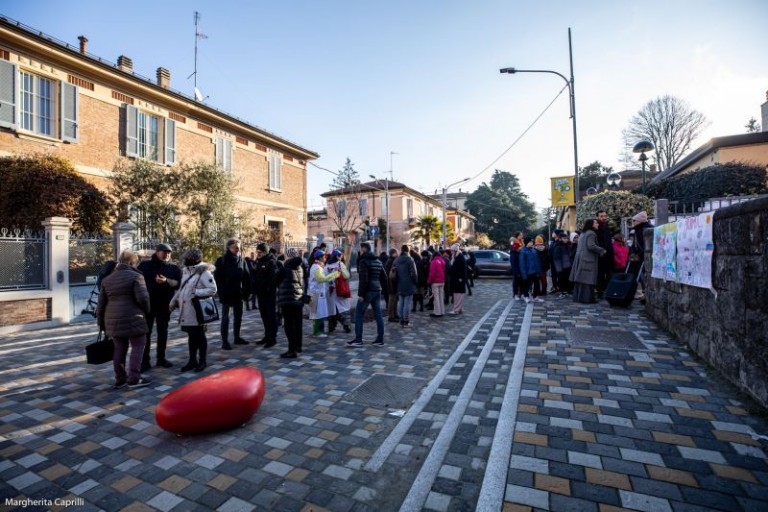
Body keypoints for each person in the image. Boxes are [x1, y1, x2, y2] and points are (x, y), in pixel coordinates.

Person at [96, 250, 151, 389]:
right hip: (134, 317)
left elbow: (101, 304)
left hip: (112, 319)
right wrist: (147, 311)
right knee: (138, 346)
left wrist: (101, 323)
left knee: (119, 348)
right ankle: (134, 378)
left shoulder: (107, 279)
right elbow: (143, 299)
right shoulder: (136, 276)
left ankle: (120, 379)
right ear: (132, 262)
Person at [169, 248, 217, 372]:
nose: (184, 259)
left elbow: (212, 289)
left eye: (186, 257)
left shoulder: (204, 272)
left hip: (198, 310)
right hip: (186, 309)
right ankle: (192, 360)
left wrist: (196, 292)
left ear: (193, 259)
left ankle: (202, 361)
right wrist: (173, 301)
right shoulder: (186, 271)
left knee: (200, 335)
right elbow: (181, 288)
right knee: (191, 335)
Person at [137, 243, 181, 371]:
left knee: (163, 332)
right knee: (146, 333)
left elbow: (179, 284)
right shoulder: (145, 265)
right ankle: (145, 361)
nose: (167, 254)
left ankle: (161, 359)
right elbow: (136, 281)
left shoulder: (174, 268)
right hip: (147, 305)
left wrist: (167, 281)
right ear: (157, 252)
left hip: (165, 305)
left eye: (169, 252)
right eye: (164, 252)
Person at [214, 239, 252, 350]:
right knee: (226, 318)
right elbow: (218, 279)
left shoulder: (242, 260)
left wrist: (246, 292)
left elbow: (247, 277)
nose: (238, 249)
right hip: (227, 295)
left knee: (238, 317)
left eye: (239, 247)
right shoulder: (222, 261)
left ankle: (237, 337)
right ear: (229, 248)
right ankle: (225, 341)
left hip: (238, 294)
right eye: (236, 247)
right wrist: (222, 294)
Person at [347, 242, 385, 347]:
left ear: (364, 249)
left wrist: (361, 294)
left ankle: (358, 339)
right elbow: (384, 277)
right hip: (377, 290)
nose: (360, 251)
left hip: (367, 291)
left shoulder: (364, 261)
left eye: (361, 249)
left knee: (358, 314)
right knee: (378, 315)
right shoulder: (378, 261)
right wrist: (383, 291)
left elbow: (363, 279)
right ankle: (380, 339)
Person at [276, 248, 306, 358]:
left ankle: (291, 350)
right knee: (298, 325)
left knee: (289, 326)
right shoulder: (300, 267)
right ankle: (298, 346)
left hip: (287, 300)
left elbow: (276, 281)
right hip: (298, 298)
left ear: (288, 256)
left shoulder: (285, 267)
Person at [570, 219, 606, 304]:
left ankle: (580, 298)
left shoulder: (583, 233)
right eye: (596, 223)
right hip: (588, 259)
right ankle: (587, 299)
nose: (597, 224)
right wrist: (602, 250)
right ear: (591, 225)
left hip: (581, 258)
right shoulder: (591, 233)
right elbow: (591, 246)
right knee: (587, 279)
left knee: (581, 279)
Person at [252, 242, 279, 348]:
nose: (258, 253)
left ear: (265, 252)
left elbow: (274, 278)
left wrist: (268, 288)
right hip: (260, 294)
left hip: (269, 294)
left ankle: (272, 338)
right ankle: (267, 336)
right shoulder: (259, 261)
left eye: (260, 252)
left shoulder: (271, 262)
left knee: (271, 316)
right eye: (257, 251)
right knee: (264, 316)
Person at [308, 249, 339, 337]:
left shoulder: (319, 266)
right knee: (318, 314)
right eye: (324, 256)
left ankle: (318, 331)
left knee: (318, 313)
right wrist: (334, 275)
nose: (325, 257)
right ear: (320, 257)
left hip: (318, 293)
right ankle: (318, 332)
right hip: (317, 294)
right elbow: (321, 279)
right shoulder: (316, 267)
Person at [326, 249, 352, 334]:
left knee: (332, 309)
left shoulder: (327, 265)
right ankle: (346, 325)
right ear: (338, 256)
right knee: (342, 308)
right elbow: (346, 276)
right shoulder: (340, 264)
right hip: (339, 289)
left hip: (329, 290)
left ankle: (331, 326)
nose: (341, 257)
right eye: (340, 256)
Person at [394, 244, 418, 327]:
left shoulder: (396, 260)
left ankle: (401, 320)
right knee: (407, 303)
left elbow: (394, 273)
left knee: (401, 302)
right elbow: (414, 274)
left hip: (399, 284)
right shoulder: (410, 260)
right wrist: (415, 283)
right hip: (409, 284)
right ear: (408, 251)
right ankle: (406, 321)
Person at [630, 211, 651, 302]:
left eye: (635, 221)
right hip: (640, 256)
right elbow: (635, 244)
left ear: (640, 221)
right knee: (641, 276)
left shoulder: (644, 230)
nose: (633, 222)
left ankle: (646, 296)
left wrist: (638, 254)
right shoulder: (637, 230)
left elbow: (645, 245)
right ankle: (643, 295)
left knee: (645, 276)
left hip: (645, 257)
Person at [595, 210, 615, 299]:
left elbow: (609, 241)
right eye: (601, 216)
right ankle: (600, 291)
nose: (603, 218)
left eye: (604, 216)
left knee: (610, 273)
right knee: (600, 274)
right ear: (597, 217)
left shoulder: (607, 227)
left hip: (609, 254)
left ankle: (607, 290)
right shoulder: (596, 228)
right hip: (600, 254)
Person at [520, 237, 543, 303]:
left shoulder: (534, 250)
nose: (532, 243)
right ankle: (526, 296)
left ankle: (535, 296)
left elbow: (537, 261)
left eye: (532, 242)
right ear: (527, 243)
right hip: (528, 271)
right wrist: (524, 273)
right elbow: (522, 263)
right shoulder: (523, 251)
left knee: (537, 284)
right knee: (526, 285)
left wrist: (539, 271)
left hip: (535, 271)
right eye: (530, 242)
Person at [427, 246, 447, 318]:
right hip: (442, 281)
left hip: (435, 282)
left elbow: (432, 273)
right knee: (441, 297)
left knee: (436, 298)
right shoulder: (442, 261)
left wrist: (429, 281)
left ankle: (437, 312)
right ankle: (442, 311)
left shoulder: (434, 262)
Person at [552, 232, 573, 296]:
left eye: (566, 238)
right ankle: (562, 291)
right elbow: (556, 259)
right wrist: (559, 269)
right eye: (564, 238)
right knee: (561, 279)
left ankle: (567, 290)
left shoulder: (567, 246)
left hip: (568, 266)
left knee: (567, 279)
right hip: (561, 267)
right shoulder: (558, 246)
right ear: (560, 239)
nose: (566, 239)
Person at [448, 244, 467, 314]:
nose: (451, 252)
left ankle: (456, 309)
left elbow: (457, 269)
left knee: (457, 295)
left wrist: (460, 278)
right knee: (459, 295)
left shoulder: (459, 258)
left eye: (452, 250)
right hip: (459, 279)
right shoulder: (458, 256)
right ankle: (459, 309)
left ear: (455, 250)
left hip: (458, 280)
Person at [384, 248, 400, 322]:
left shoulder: (393, 260)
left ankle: (395, 314)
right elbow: (389, 274)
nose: (398, 253)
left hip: (394, 283)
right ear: (393, 253)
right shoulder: (390, 261)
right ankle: (391, 316)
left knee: (395, 300)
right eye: (396, 252)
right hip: (391, 284)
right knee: (392, 300)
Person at [510, 232, 524, 300]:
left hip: (522, 267)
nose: (522, 236)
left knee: (522, 281)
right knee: (516, 281)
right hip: (516, 267)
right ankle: (515, 294)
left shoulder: (522, 242)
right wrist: (515, 269)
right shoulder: (513, 245)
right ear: (517, 236)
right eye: (521, 235)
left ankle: (520, 294)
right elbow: (513, 260)